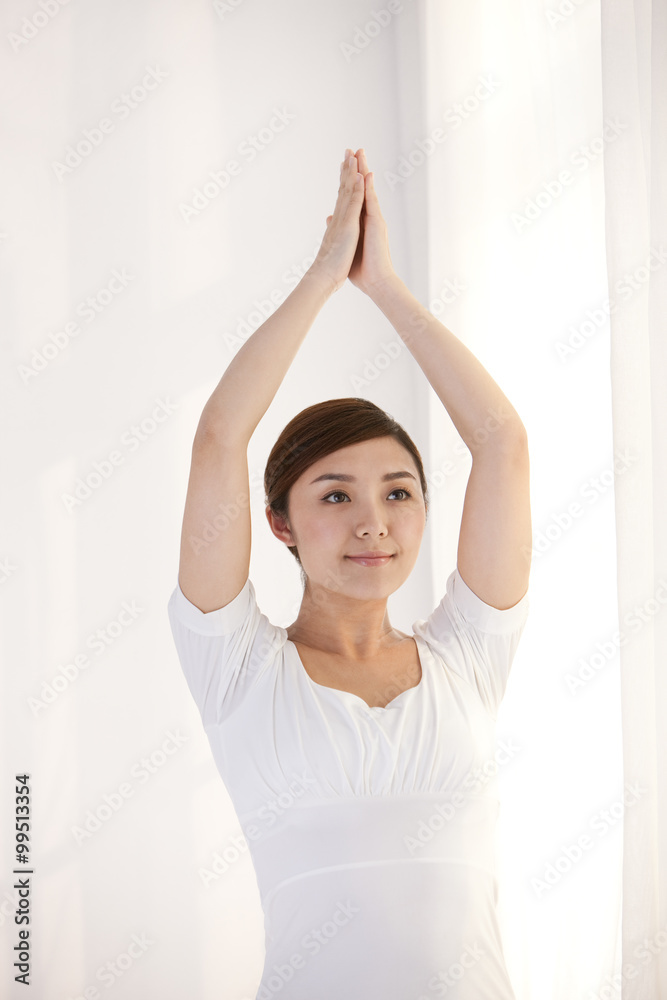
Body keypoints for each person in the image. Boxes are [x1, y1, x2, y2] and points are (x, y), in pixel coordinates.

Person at [167, 147, 532, 1000]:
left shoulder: (467, 661)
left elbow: (502, 444)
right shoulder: (237, 672)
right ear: (279, 524)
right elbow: (220, 436)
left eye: (397, 491)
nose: (373, 520)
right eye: (335, 495)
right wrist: (327, 276)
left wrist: (389, 291)